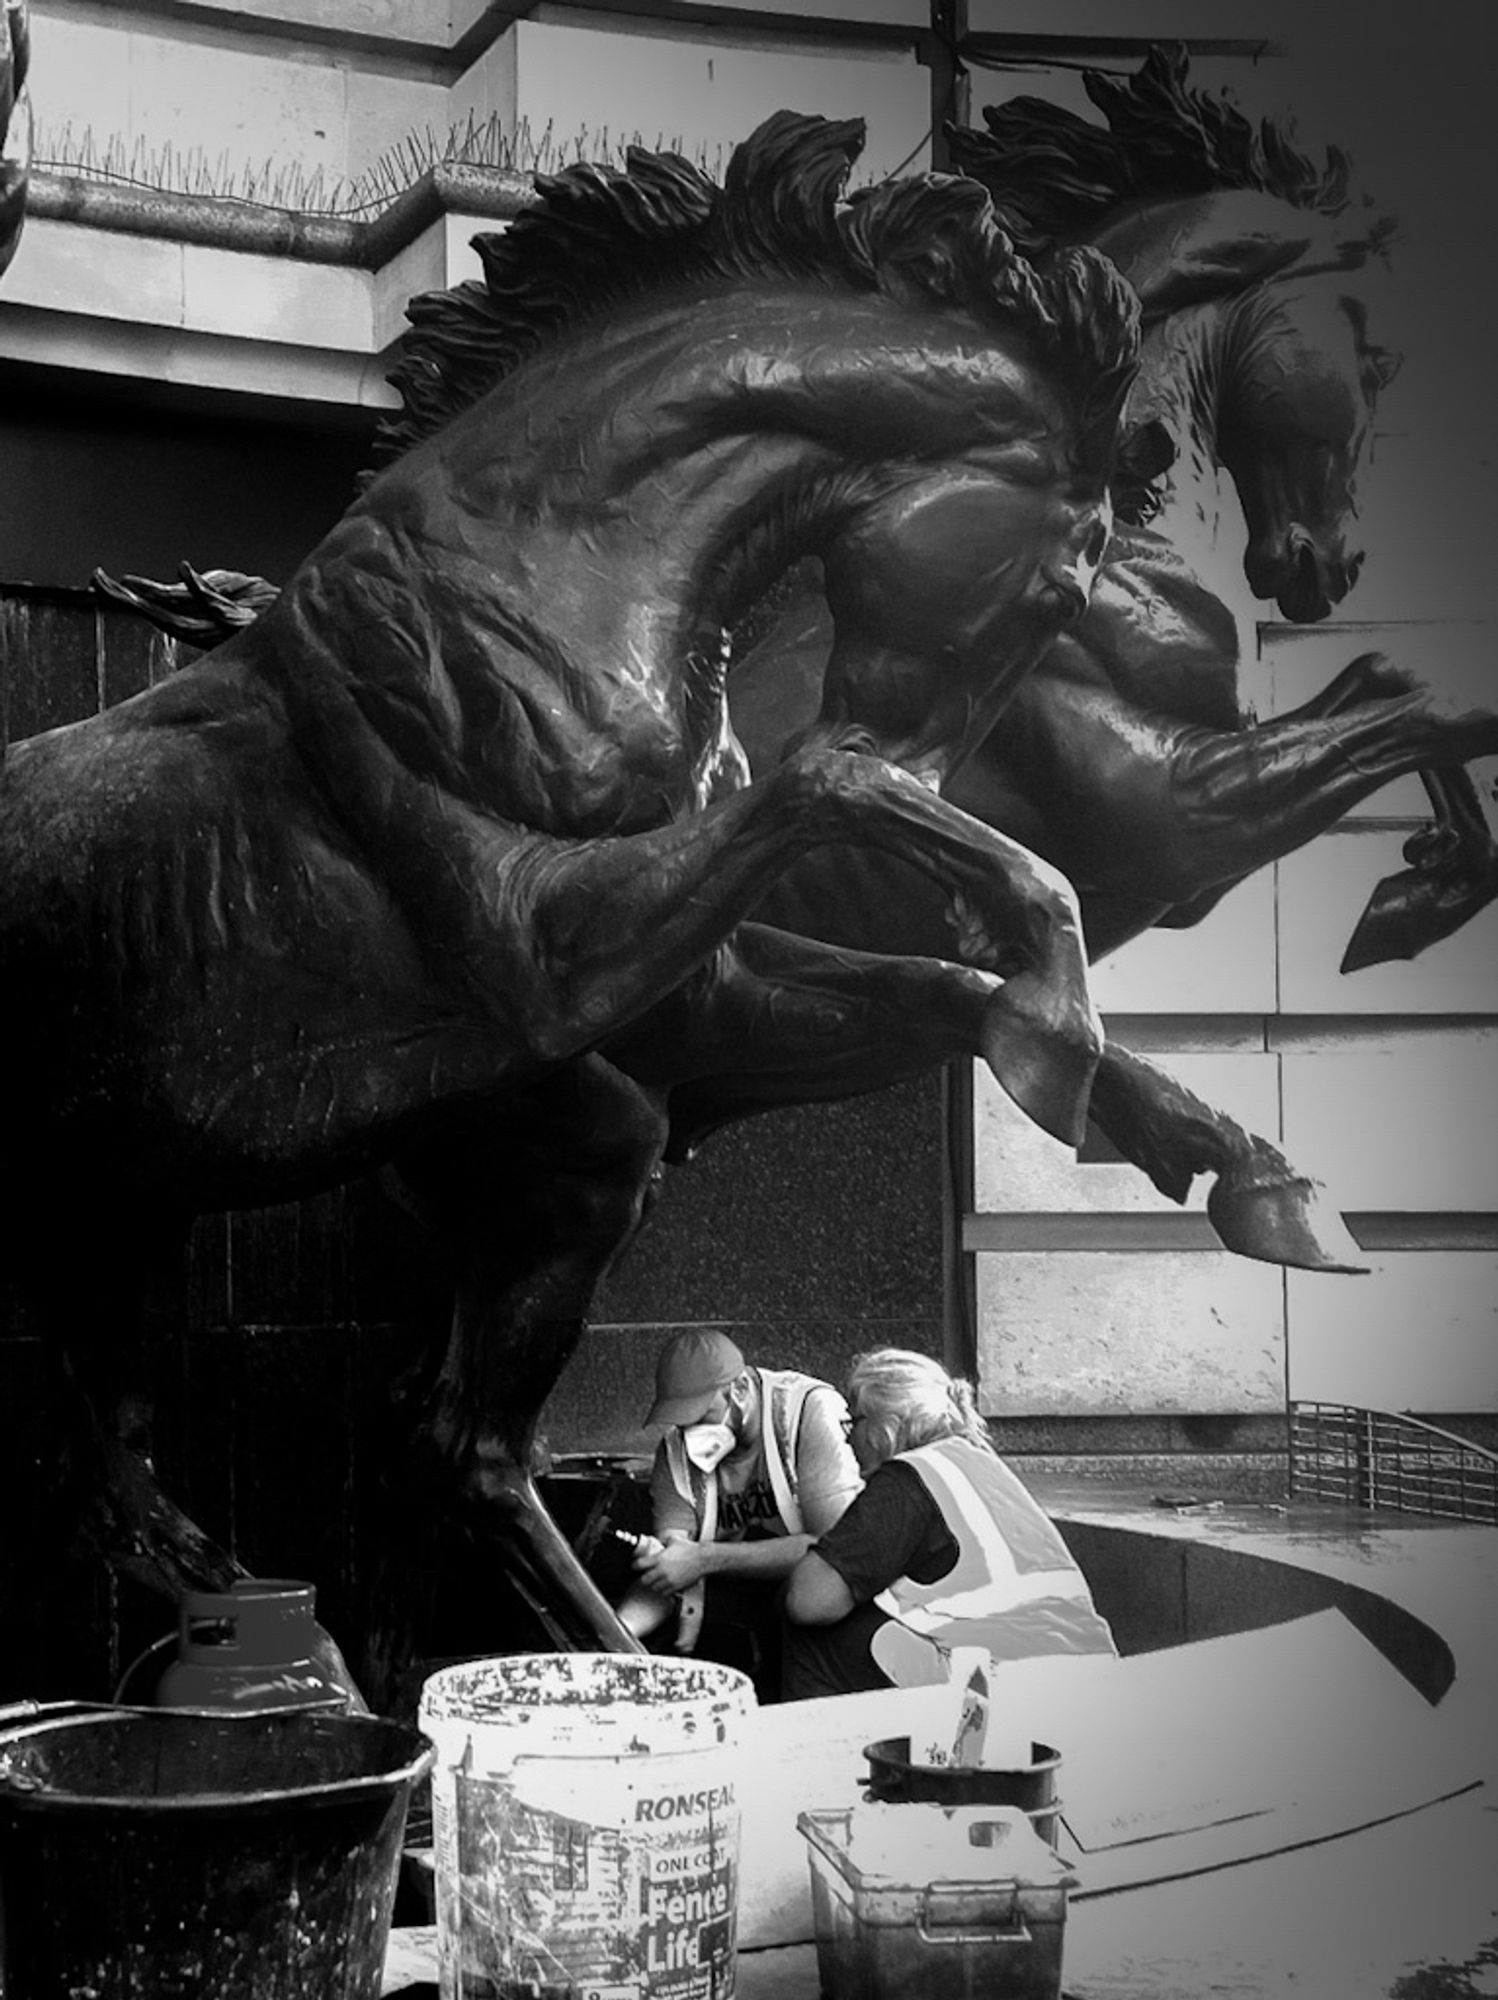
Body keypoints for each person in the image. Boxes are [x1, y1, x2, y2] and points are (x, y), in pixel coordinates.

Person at [782, 1347, 1116, 1699]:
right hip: (1088, 1674)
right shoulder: (980, 1464)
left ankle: (820, 1750)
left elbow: (809, 1600)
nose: (848, 1439)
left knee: (813, 1630)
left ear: (885, 1427)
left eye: (854, 1422)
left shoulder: (908, 1478)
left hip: (1007, 1686)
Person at [620, 1328, 863, 1694]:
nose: (691, 1433)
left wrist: (703, 1560)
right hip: (745, 1602)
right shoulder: (674, 1454)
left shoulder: (808, 1411)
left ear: (739, 1390)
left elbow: (835, 1551)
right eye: (682, 1421)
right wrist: (614, 1636)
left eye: (702, 1415)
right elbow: (673, 1559)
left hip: (827, 1603)